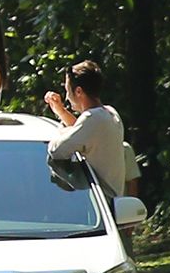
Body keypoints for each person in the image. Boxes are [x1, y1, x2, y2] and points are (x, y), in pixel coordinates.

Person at [45, 59, 126, 193]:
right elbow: (82, 132)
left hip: (101, 200)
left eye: (67, 90)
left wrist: (58, 132)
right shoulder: (109, 113)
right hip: (108, 200)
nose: (66, 98)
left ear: (78, 91)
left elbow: (57, 151)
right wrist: (61, 112)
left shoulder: (93, 118)